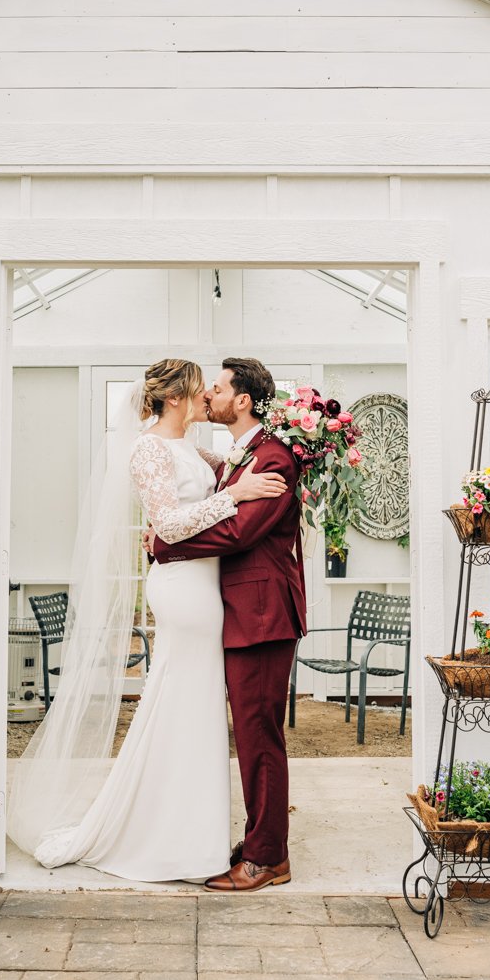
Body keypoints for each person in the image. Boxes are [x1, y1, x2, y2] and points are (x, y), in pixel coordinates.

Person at [20, 358, 287, 881]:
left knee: (194, 707)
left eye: (215, 388)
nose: (207, 395)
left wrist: (233, 484)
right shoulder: (147, 448)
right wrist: (233, 495)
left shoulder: (194, 449)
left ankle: (195, 833)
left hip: (207, 588)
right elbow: (168, 522)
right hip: (185, 592)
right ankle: (172, 836)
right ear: (175, 399)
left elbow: (227, 473)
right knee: (185, 700)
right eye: (199, 389)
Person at [145, 357, 307, 891]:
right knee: (252, 731)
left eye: (216, 388)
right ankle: (262, 838)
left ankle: (267, 858)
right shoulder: (242, 456)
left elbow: (239, 533)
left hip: (262, 615)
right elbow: (203, 486)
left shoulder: (275, 459)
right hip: (240, 613)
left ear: (242, 401)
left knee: (260, 734)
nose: (208, 395)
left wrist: (169, 542)